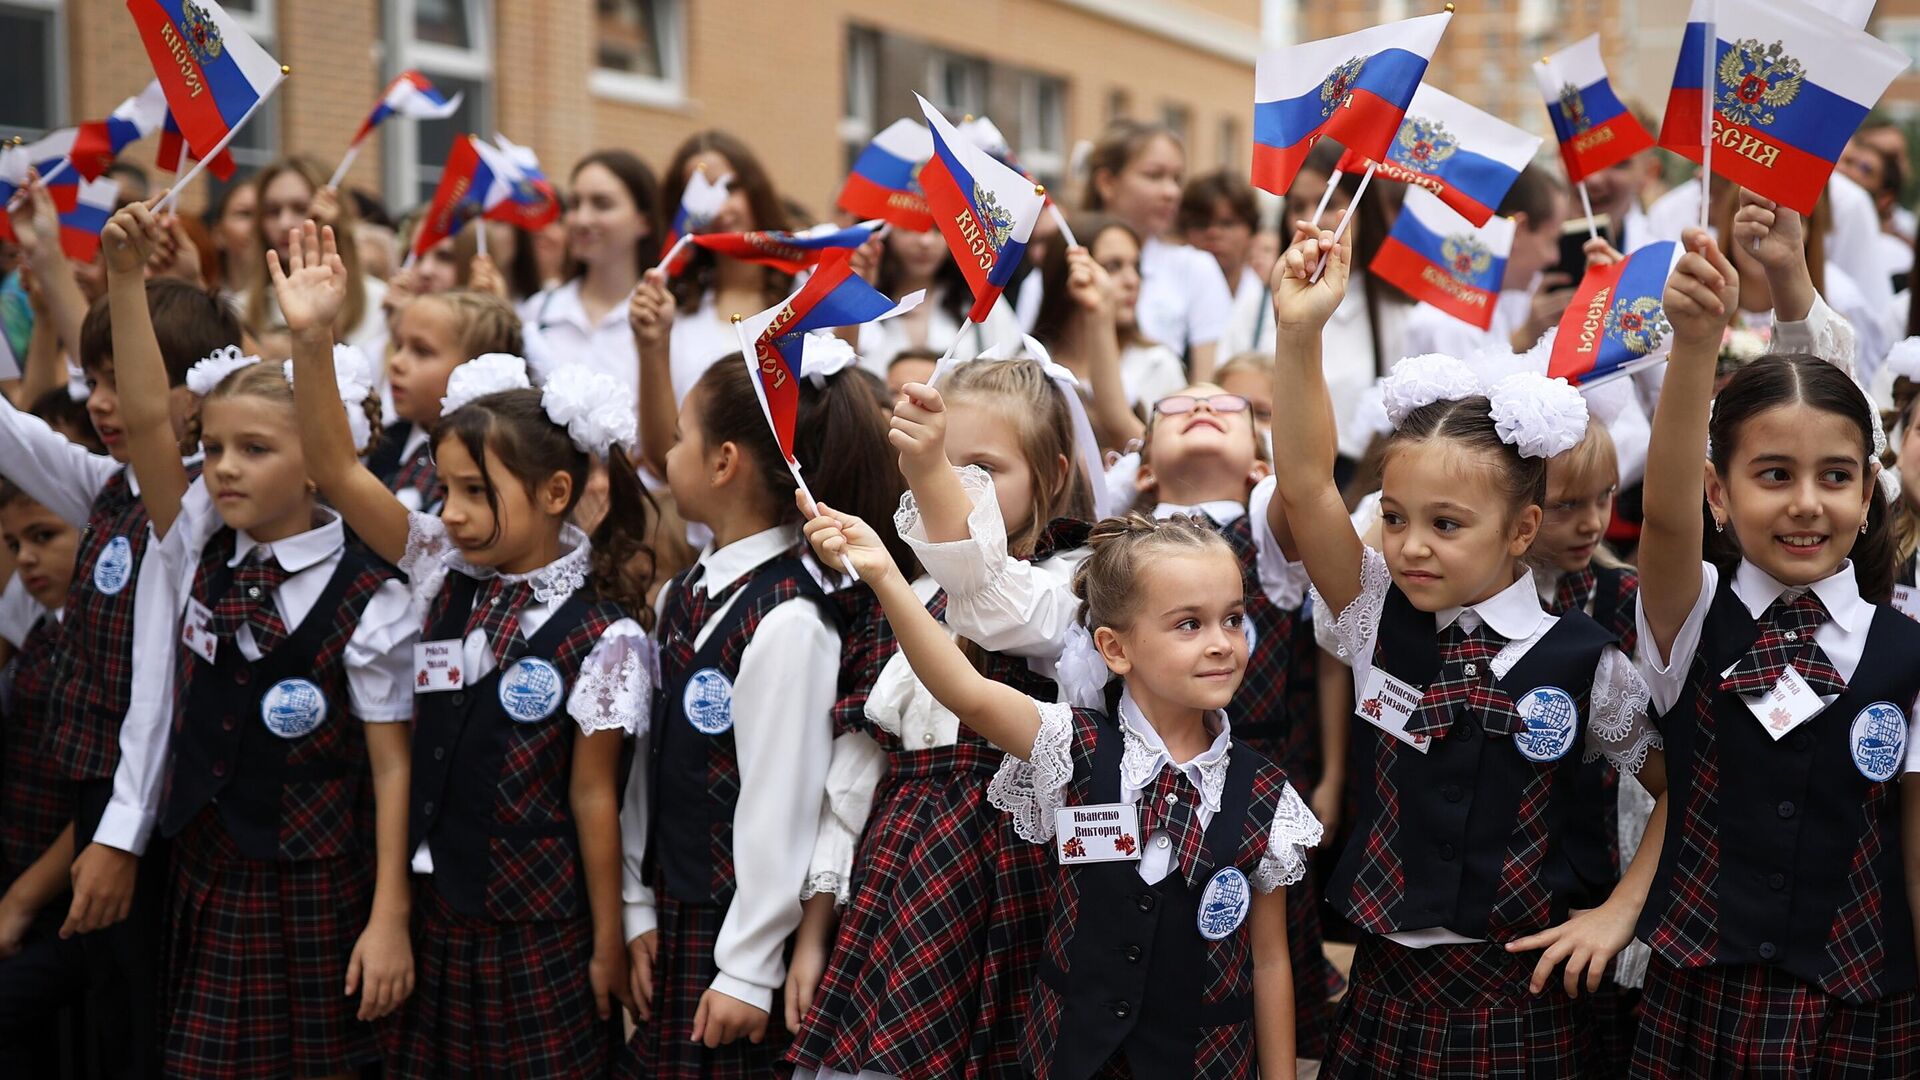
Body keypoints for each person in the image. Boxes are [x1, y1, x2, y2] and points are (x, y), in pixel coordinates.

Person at [1268, 225, 1668, 1078]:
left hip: (1528, 1000)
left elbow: (1684, 791)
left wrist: (1621, 911)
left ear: (1523, 529)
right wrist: (1299, 331)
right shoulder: (1375, 615)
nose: (1411, 545)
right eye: (1397, 518)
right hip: (1387, 990)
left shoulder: (1587, 659)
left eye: (1447, 524)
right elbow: (1304, 485)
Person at [272, 221, 654, 1078]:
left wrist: (605, 942)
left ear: (557, 492)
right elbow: (337, 469)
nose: (449, 512)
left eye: (477, 492)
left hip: (540, 936)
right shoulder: (441, 565)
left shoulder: (608, 638)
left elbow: (594, 798)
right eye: (445, 488)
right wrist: (312, 335)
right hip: (437, 919)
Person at [804, 506, 1321, 1080]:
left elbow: (1269, 961)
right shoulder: (1072, 746)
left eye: (1233, 619)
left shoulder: (1267, 795)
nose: (1222, 643)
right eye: (1188, 624)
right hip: (1069, 1056)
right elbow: (966, 692)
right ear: (1115, 649)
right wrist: (885, 576)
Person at [108, 197, 419, 1076]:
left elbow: (392, 768)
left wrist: (389, 915)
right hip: (207, 872)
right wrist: (124, 279)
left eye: (254, 449)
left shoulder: (372, 596)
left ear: (316, 461)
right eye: (212, 449)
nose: (223, 469)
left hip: (320, 886)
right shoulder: (198, 543)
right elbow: (145, 421)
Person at [1629, 224, 1920, 1076]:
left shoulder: (1906, 652)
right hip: (1700, 1001)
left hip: (1860, 1011)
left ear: (1868, 494)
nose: (1806, 504)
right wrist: (1694, 347)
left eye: (1836, 476)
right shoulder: (1693, 613)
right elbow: (1665, 519)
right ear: (1718, 493)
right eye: (1773, 475)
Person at [783, 359, 1095, 1079]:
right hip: (900, 869)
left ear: (1051, 474)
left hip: (1010, 871)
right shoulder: (910, 593)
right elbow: (857, 770)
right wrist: (815, 927)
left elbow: (987, 596)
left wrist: (928, 474)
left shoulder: (1068, 588)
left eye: (982, 469)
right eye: (941, 464)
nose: (953, 485)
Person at [0, 262, 239, 1078]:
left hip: (149, 808)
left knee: (144, 1021)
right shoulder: (111, 488)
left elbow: (158, 689)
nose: (103, 402)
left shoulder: (200, 513)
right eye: (93, 381)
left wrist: (120, 836)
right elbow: (16, 437)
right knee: (106, 1012)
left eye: (120, 379)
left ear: (196, 396)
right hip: (96, 793)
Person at [617, 355, 845, 1080]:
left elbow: (783, 806)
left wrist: (749, 966)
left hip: (734, 933)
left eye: (678, 438)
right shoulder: (680, 594)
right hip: (671, 910)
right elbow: (646, 766)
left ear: (723, 461)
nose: (665, 456)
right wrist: (635, 901)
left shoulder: (789, 618)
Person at [1027, 120, 1233, 381]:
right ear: (1106, 183)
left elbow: (1209, 385)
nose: (1172, 192)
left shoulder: (1195, 267)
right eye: (1154, 175)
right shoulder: (1057, 269)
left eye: (1177, 179)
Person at [0, 480, 86, 1076]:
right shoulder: (44, 627)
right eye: (14, 544)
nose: (26, 558)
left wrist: (20, 901)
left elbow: (112, 797)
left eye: (44, 536)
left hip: (74, 897)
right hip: (22, 866)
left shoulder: (103, 642)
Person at [659, 132, 799, 401]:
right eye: (701, 195)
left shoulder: (805, 285)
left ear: (755, 189)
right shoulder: (669, 307)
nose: (721, 209)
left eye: (730, 187)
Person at [520, 150, 662, 390]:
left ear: (644, 221)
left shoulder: (666, 320)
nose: (582, 220)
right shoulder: (538, 311)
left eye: (602, 204)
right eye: (575, 204)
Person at [371, 290, 523, 512]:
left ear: (476, 368)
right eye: (398, 345)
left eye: (422, 351)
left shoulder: (484, 465)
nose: (396, 362)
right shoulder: (387, 440)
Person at [1401, 164, 1572, 361]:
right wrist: (1524, 339)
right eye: (1552, 240)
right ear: (1519, 230)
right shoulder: (1450, 326)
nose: (1554, 257)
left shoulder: (1496, 305)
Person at [1032, 217, 1186, 416]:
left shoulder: (1158, 365)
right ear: (1067, 277)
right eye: (1113, 267)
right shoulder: (1030, 366)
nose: (1133, 281)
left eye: (1136, 267)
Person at [240, 158, 388, 359]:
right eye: (273, 212)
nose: (284, 223)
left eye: (300, 209)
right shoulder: (242, 305)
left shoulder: (379, 301)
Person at [1182, 170, 1270, 361]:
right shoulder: (1173, 300)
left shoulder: (1269, 304)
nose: (1213, 233)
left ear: (1252, 231)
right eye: (1201, 224)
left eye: (1227, 223)